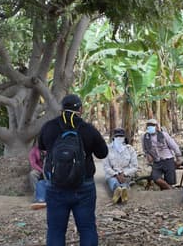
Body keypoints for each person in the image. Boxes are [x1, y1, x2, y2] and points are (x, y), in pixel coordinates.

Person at [39, 94, 108, 246]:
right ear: (80, 109)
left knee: (56, 230)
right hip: (84, 187)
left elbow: (41, 147)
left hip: (55, 187)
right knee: (87, 228)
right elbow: (103, 153)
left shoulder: (49, 127)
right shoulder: (88, 129)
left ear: (62, 109)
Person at [141, 119, 182, 190]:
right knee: (155, 178)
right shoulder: (144, 137)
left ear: (157, 126)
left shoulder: (163, 135)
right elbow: (145, 150)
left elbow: (174, 146)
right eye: (149, 126)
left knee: (170, 181)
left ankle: (168, 191)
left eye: (152, 125)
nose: (150, 127)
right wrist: (148, 155)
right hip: (156, 161)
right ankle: (170, 189)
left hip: (167, 159)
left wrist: (178, 158)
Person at [104, 128, 138, 204]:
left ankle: (121, 193)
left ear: (124, 138)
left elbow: (135, 166)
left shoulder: (130, 149)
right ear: (113, 137)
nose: (119, 138)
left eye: (121, 136)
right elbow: (106, 167)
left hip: (126, 174)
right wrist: (116, 174)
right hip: (112, 174)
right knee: (114, 181)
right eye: (117, 136)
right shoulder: (108, 149)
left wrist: (124, 173)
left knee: (124, 182)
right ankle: (118, 190)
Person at [29, 142, 48, 210]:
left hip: (49, 169)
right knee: (32, 174)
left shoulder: (50, 148)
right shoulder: (33, 151)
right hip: (39, 170)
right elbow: (33, 164)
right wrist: (41, 170)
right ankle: (36, 196)